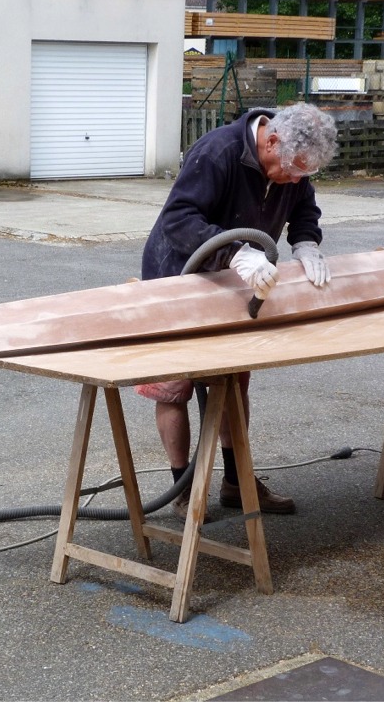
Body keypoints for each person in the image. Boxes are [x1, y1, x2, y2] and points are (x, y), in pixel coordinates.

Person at [137, 102, 339, 521]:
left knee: (233, 382)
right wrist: (235, 252)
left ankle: (237, 482)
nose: (296, 179)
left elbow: (303, 207)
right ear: (271, 141)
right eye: (294, 170)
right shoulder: (217, 153)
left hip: (236, 281)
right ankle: (183, 489)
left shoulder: (292, 161)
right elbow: (178, 220)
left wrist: (305, 242)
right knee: (174, 387)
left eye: (305, 173)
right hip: (177, 277)